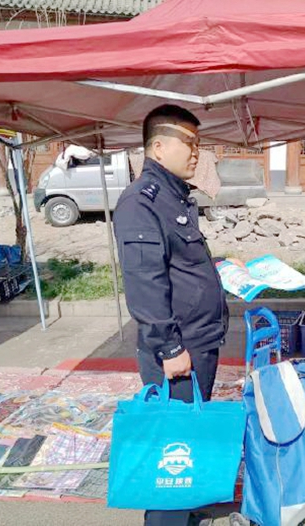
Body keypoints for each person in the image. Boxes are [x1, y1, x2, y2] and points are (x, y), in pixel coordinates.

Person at [113, 104, 229, 526]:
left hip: (199, 342)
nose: (196, 152)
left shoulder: (175, 197)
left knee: (187, 438)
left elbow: (181, 268)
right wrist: (170, 346)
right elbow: (145, 284)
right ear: (158, 147)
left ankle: (186, 513)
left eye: (199, 143)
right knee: (172, 453)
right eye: (190, 143)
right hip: (177, 351)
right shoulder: (141, 202)